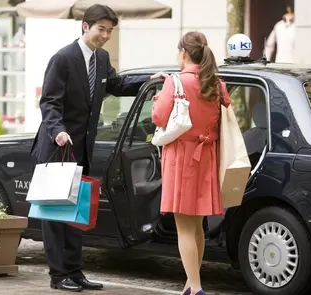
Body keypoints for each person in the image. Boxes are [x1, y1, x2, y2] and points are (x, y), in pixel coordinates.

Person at [30, 4, 165, 292]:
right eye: (101, 29)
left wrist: (150, 80)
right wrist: (58, 131)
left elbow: (116, 84)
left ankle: (75, 271)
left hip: (83, 149)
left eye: (110, 31)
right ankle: (58, 276)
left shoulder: (101, 58)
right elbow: (49, 102)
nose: (105, 35)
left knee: (77, 212)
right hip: (58, 148)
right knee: (55, 214)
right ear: (85, 27)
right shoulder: (63, 59)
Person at [151, 32, 231, 295]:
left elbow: (159, 117)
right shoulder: (217, 83)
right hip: (208, 155)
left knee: (184, 227)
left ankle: (195, 288)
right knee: (197, 225)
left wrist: (160, 97)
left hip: (182, 157)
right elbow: (226, 110)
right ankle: (190, 284)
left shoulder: (176, 82)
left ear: (184, 53)